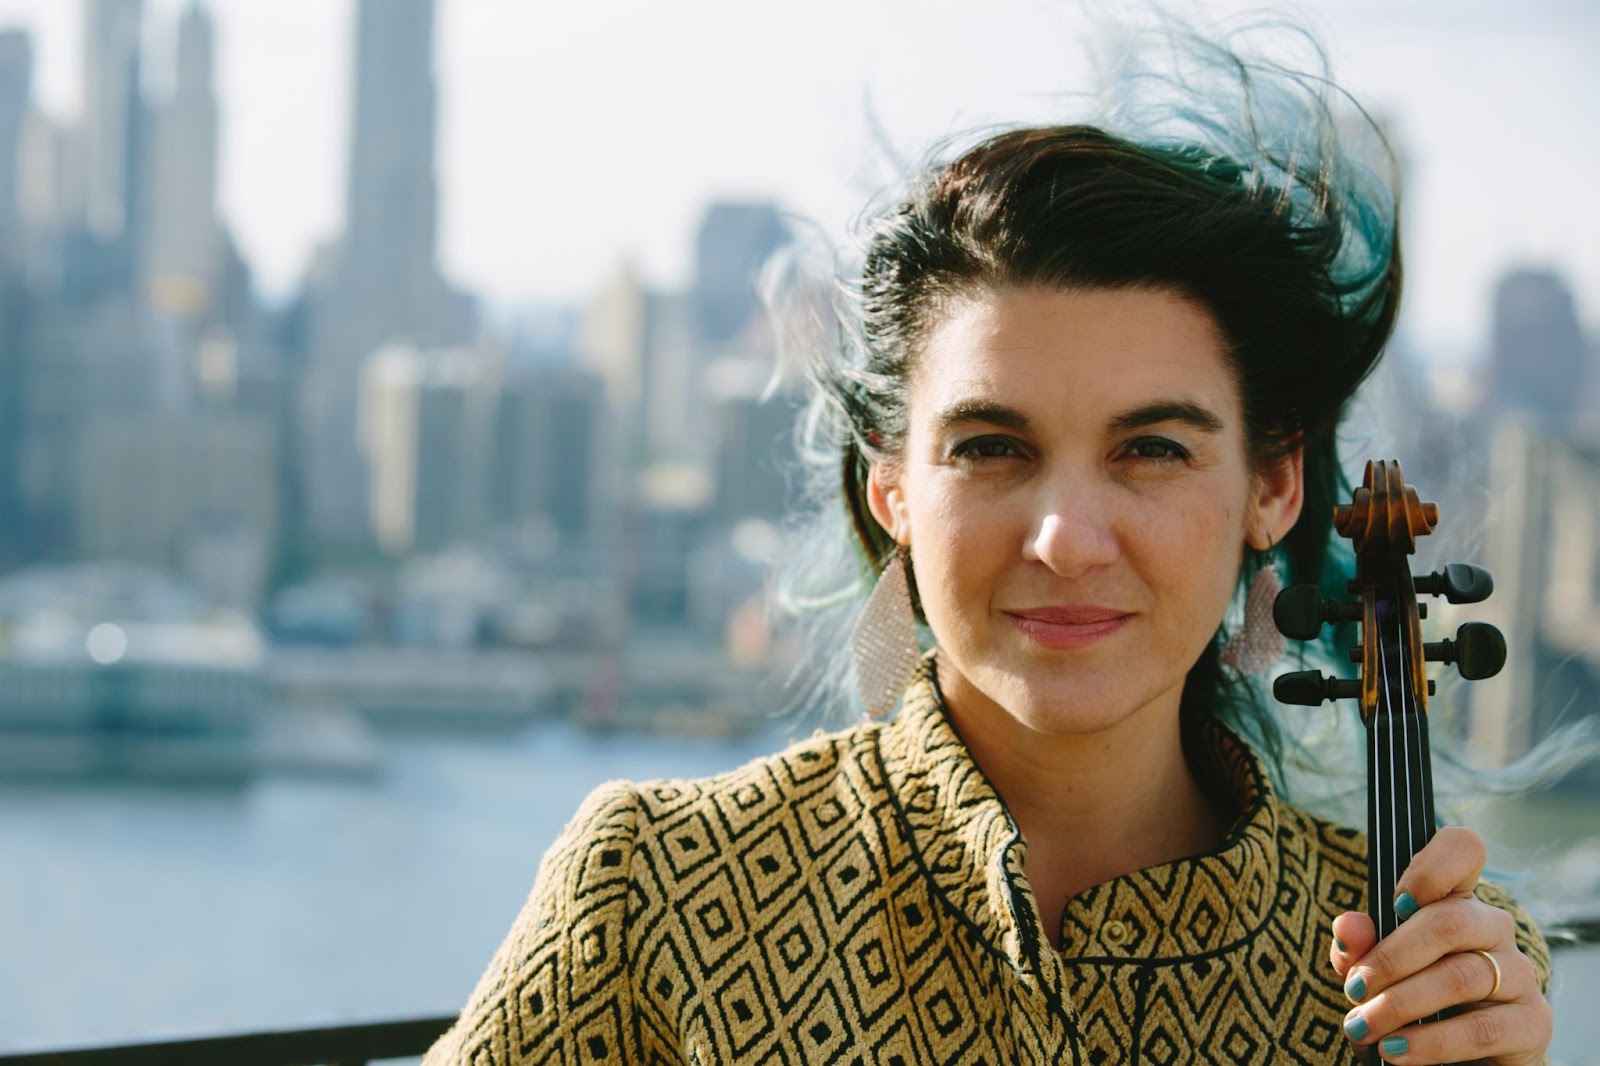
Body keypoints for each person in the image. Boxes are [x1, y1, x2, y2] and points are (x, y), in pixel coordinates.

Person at [423, 21, 1553, 1066]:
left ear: (1272, 485)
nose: (1064, 539)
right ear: (890, 485)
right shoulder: (649, 894)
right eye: (991, 448)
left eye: (1151, 449)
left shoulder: (1438, 977)